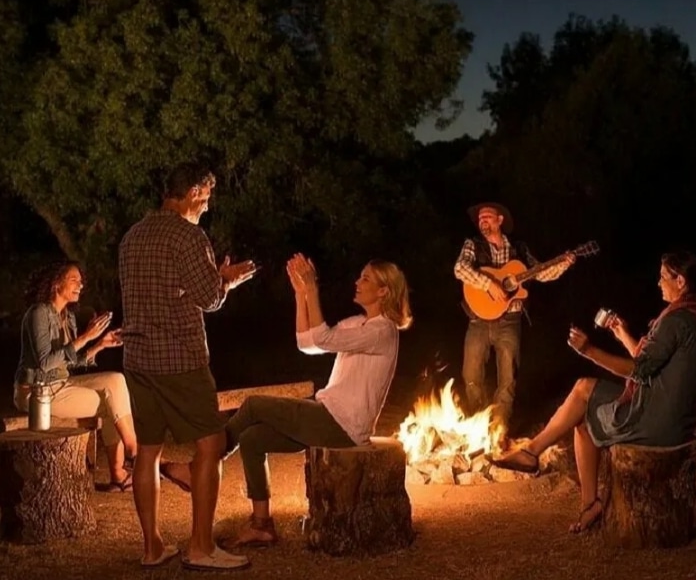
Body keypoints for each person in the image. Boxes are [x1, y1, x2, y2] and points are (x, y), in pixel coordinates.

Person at [160, 253, 412, 547]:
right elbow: (308, 343)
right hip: (326, 416)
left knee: (253, 405)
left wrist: (312, 290)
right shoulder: (359, 323)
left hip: (341, 425)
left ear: (383, 291)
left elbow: (322, 338)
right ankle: (261, 525)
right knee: (253, 439)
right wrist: (300, 294)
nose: (358, 282)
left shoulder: (382, 331)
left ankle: (198, 468)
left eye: (366, 278)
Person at [492, 251, 696, 534]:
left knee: (583, 390)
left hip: (659, 420)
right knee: (582, 414)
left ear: (680, 281)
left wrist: (588, 350)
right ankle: (588, 503)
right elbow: (650, 362)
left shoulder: (677, 320)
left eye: (663, 277)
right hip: (677, 418)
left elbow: (639, 370)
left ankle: (533, 453)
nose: (658, 283)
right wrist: (623, 333)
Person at [118, 162, 257, 570]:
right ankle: (201, 548)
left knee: (148, 451)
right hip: (179, 357)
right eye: (206, 197)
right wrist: (225, 279)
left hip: (138, 359)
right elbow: (208, 297)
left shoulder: (132, 235)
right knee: (211, 444)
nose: (207, 206)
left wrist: (213, 278)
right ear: (193, 191)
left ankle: (152, 548)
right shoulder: (189, 235)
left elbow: (159, 290)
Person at [14, 260, 136, 490]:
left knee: (116, 380)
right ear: (56, 283)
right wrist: (86, 337)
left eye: (81, 281)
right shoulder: (38, 313)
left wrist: (99, 345)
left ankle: (131, 456)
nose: (80, 285)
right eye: (74, 280)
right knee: (111, 402)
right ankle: (129, 463)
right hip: (36, 393)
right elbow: (45, 363)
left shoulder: (67, 316)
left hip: (61, 384)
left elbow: (70, 361)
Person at [454, 202, 574, 428]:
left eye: (487, 216)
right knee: (470, 374)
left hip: (510, 321)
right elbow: (460, 268)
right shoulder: (473, 244)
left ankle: (499, 428)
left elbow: (541, 273)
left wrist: (563, 263)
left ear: (500, 220)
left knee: (508, 379)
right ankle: (477, 424)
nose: (482, 221)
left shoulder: (519, 249)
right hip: (478, 320)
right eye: (480, 218)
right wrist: (489, 284)